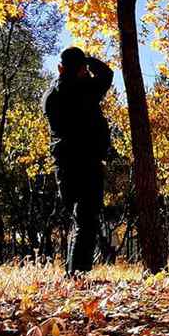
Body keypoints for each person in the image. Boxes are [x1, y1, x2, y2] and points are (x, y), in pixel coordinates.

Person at [42, 47, 113, 275]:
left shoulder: (50, 96)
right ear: (83, 70)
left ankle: (74, 273)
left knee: (80, 220)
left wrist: (79, 67)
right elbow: (107, 74)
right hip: (88, 163)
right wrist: (89, 60)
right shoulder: (86, 90)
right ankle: (78, 274)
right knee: (86, 221)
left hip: (64, 165)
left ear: (60, 68)